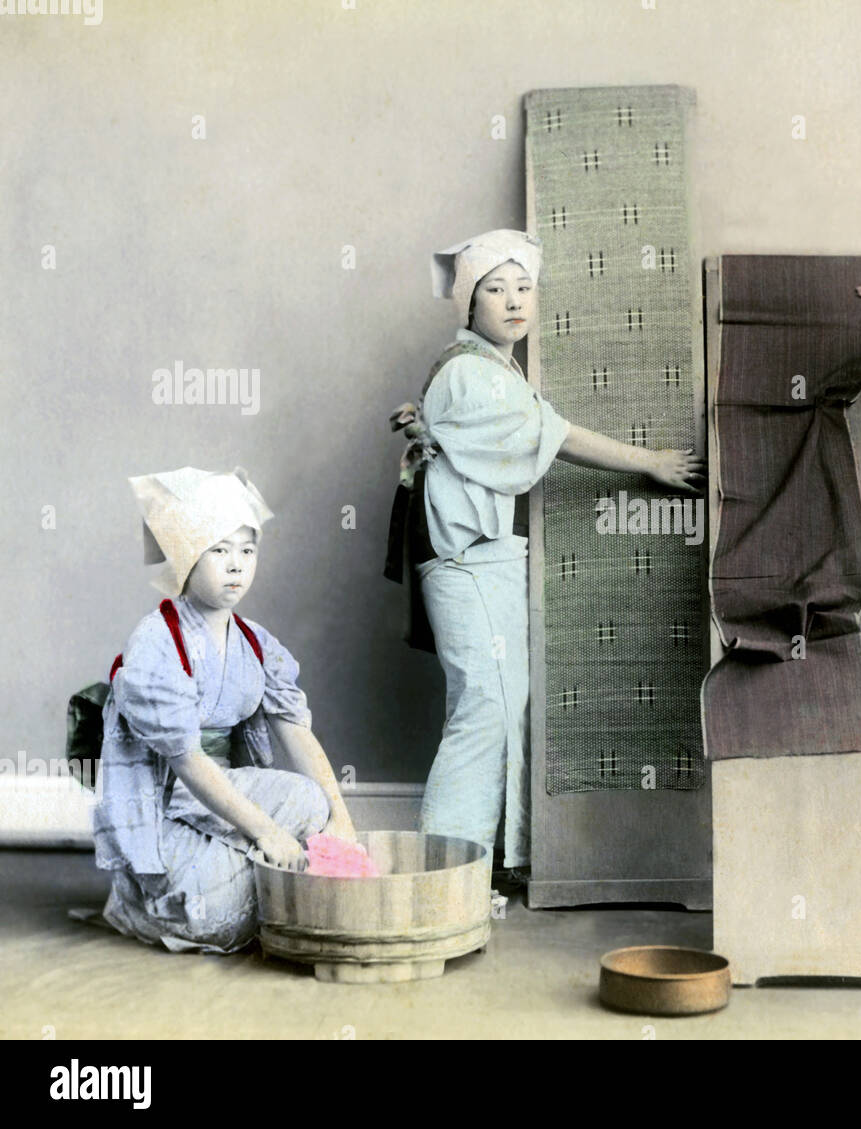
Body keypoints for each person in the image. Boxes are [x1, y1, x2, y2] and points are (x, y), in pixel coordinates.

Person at [387, 229, 702, 881]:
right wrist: (651, 462)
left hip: (483, 560)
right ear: (469, 304)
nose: (512, 302)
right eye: (495, 289)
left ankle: (480, 861)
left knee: (497, 707)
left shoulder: (494, 369)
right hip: (465, 560)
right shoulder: (472, 374)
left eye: (524, 288)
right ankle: (442, 872)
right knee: (485, 709)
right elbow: (555, 436)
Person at [92, 467, 358, 952]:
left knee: (312, 804)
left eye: (247, 550)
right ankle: (136, 902)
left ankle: (238, 866)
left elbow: (295, 729)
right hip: (168, 799)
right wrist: (267, 832)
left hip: (224, 788)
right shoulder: (157, 642)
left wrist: (343, 822)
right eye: (219, 549)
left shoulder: (256, 643)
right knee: (221, 916)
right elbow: (188, 760)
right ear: (187, 556)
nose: (236, 565)